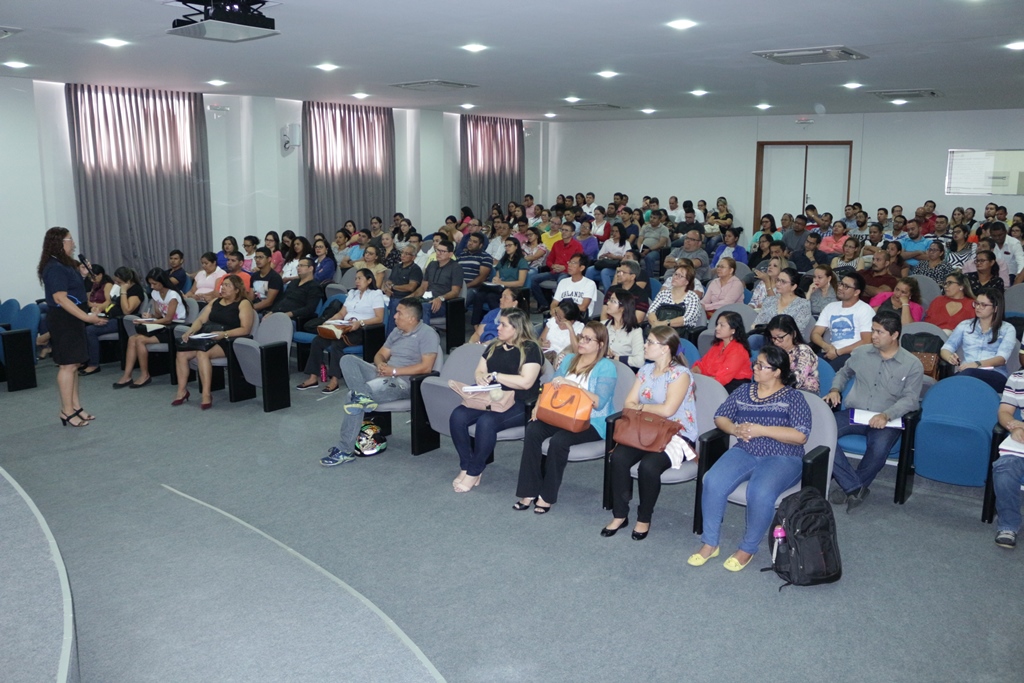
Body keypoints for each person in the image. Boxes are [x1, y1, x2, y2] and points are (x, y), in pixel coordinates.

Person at [689, 345, 812, 571]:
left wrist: (761, 430)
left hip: (783, 456)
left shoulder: (794, 398)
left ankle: (747, 548)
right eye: (756, 364)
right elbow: (721, 417)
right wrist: (735, 430)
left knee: (759, 492)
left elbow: (800, 436)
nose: (754, 368)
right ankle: (710, 542)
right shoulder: (744, 391)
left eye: (761, 366)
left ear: (777, 372)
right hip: (746, 449)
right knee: (712, 480)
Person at [821, 311, 925, 515]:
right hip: (855, 413)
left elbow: (911, 399)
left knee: (878, 449)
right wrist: (835, 389)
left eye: (879, 332)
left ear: (894, 335)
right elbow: (844, 372)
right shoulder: (861, 353)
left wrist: (887, 415)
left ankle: (850, 485)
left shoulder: (912, 364)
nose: (874, 335)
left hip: (887, 418)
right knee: (822, 433)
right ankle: (854, 487)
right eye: (873, 330)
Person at [603, 326, 699, 539]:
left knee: (649, 467)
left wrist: (640, 408)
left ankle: (644, 518)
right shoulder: (645, 370)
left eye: (650, 342)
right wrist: (640, 409)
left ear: (665, 349)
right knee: (618, 458)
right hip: (646, 428)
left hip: (675, 433)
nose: (645, 346)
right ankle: (620, 514)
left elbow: (668, 410)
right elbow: (628, 402)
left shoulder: (680, 374)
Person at [320, 298, 441, 466]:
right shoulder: (397, 332)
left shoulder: (427, 334)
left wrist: (393, 371)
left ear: (412, 318)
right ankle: (362, 396)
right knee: (348, 360)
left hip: (403, 382)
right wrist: (381, 365)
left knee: (351, 397)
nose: (394, 316)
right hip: (385, 374)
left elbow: (427, 367)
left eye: (399, 313)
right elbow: (380, 354)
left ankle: (345, 450)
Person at [514, 322, 618, 513]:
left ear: (601, 344)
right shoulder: (570, 359)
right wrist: (538, 406)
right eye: (581, 337)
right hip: (562, 414)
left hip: (591, 421)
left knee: (559, 441)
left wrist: (574, 385)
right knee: (533, 429)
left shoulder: (606, 368)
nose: (582, 342)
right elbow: (552, 386)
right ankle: (529, 491)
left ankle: (547, 496)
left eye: (588, 339)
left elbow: (599, 403)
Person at [449, 308, 543, 492]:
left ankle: (475, 470)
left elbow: (526, 382)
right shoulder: (494, 345)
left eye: (503, 324)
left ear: (516, 328)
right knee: (457, 416)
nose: (497, 327)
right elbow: (479, 370)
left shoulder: (531, 349)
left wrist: (496, 376)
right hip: (490, 397)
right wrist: (481, 378)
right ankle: (466, 465)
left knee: (486, 422)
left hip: (520, 402)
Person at [39, 228, 103, 427]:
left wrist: (83, 275)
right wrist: (86, 317)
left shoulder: (65, 265)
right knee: (67, 366)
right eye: (70, 239)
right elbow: (60, 298)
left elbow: (76, 293)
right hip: (64, 320)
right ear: (59, 242)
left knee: (74, 364)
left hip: (72, 319)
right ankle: (66, 411)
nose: (73, 244)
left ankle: (75, 406)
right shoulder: (55, 267)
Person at [297, 268, 386, 394]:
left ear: (369, 280)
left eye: (360, 278)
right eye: (355, 278)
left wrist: (360, 323)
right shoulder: (352, 294)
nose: (357, 281)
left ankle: (334, 380)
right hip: (345, 327)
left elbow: (379, 318)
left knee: (336, 344)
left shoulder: (375, 294)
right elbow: (341, 313)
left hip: (362, 330)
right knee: (318, 341)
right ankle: (313, 377)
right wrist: (330, 321)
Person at [173, 274, 254, 410]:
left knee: (202, 353)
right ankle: (182, 390)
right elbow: (200, 320)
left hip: (229, 340)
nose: (223, 288)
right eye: (222, 285)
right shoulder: (215, 301)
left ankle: (206, 394)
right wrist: (190, 331)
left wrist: (224, 334)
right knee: (181, 353)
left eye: (228, 285)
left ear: (237, 290)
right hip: (209, 337)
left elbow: (245, 329)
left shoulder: (243, 303)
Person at [113, 268, 186, 389]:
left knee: (140, 340)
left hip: (174, 328)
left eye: (155, 284)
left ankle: (145, 375)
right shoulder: (155, 293)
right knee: (132, 339)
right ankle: (127, 375)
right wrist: (149, 317)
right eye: (150, 284)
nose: (152, 287)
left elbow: (168, 319)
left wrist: (153, 321)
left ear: (162, 282)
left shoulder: (173, 295)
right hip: (162, 326)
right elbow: (158, 314)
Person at [941, 289, 1017, 393]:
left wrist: (977, 364)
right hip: (966, 372)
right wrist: (949, 356)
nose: (978, 307)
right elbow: (946, 348)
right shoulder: (965, 325)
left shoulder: (1007, 328)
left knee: (964, 377)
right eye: (976, 303)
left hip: (995, 374)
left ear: (995, 308)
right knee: (954, 381)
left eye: (983, 305)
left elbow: (1001, 359)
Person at [80, 266, 144, 375]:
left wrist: (123, 292)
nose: (116, 284)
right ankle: (83, 360)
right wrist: (99, 311)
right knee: (83, 324)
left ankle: (94, 364)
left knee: (90, 330)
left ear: (127, 281)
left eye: (119, 282)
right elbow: (112, 305)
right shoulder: (119, 288)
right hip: (111, 317)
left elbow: (127, 310)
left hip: (123, 322)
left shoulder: (135, 290)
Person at [811, 272, 874, 370]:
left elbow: (867, 341)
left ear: (856, 292)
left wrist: (838, 352)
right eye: (841, 284)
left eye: (846, 286)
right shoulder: (830, 307)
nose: (840, 288)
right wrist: (826, 347)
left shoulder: (865, 309)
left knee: (825, 372)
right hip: (830, 351)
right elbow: (815, 334)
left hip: (853, 354)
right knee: (808, 368)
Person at [993, 371, 1024, 548]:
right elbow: (1004, 412)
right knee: (1004, 467)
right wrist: (1013, 427)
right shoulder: (1018, 378)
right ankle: (1008, 525)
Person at [691, 311, 752, 392]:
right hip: (713, 382)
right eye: (717, 324)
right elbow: (703, 366)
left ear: (733, 330)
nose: (717, 328)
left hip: (733, 389)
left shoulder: (738, 351)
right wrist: (691, 373)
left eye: (722, 325)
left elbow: (721, 379)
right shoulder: (718, 345)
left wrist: (699, 380)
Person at [763, 314, 819, 393]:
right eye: (773, 338)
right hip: (776, 390)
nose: (776, 342)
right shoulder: (774, 351)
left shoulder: (804, 351)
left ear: (793, 334)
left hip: (804, 393)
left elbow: (797, 380)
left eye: (780, 337)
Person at [751, 266, 813, 335]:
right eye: (778, 280)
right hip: (766, 338)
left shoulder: (803, 304)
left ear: (793, 287)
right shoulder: (770, 300)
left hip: (788, 341)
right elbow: (756, 324)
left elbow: (797, 330)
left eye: (783, 282)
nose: (778, 284)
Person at [414, 239, 464, 321]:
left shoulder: (456, 268)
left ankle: (425, 333)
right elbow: (423, 287)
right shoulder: (431, 264)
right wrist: (411, 297)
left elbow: (455, 292)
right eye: (438, 250)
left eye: (443, 251)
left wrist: (440, 298)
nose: (439, 253)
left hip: (443, 303)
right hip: (427, 299)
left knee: (424, 307)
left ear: (450, 254)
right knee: (403, 303)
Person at [648, 263, 704, 333]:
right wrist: (655, 323)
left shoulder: (692, 297)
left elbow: (687, 319)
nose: (675, 277)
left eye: (680, 276)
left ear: (687, 282)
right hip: (658, 330)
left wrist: (664, 324)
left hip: (680, 333)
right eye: (675, 274)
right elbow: (650, 312)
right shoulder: (663, 294)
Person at [382, 245, 424, 336]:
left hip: (405, 298)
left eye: (406, 254)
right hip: (391, 295)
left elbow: (411, 287)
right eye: (402, 253)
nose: (403, 255)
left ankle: (389, 337)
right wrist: (387, 287)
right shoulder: (397, 266)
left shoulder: (415, 269)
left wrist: (393, 287)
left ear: (413, 257)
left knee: (395, 304)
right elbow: (389, 281)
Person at [602, 289, 644, 369]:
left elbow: (639, 361)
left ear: (623, 307)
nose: (607, 303)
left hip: (621, 370)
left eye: (612, 301)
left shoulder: (635, 331)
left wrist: (616, 358)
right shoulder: (603, 325)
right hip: (601, 367)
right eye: (609, 300)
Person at [269, 257, 321, 322]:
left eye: (301, 266)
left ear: (310, 268)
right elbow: (282, 299)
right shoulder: (293, 282)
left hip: (293, 318)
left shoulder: (314, 287)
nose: (298, 268)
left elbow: (309, 308)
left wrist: (290, 314)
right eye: (298, 266)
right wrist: (272, 312)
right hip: (279, 314)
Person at [540, 298, 585, 365]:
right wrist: (542, 344)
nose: (555, 317)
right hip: (547, 356)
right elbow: (539, 341)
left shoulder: (579, 327)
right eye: (556, 314)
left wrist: (571, 329)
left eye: (560, 318)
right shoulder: (552, 322)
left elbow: (577, 351)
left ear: (571, 321)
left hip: (563, 360)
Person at [250, 247, 284, 315]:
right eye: (256, 257)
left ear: (269, 259)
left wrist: (250, 308)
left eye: (261, 257)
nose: (257, 260)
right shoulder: (254, 276)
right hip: (255, 309)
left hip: (269, 311)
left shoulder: (275, 277)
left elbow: (269, 302)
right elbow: (251, 297)